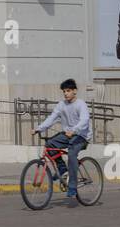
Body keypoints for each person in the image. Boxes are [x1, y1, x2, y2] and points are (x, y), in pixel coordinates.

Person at [33, 79, 92, 207]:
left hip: (81, 136)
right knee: (50, 144)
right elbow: (51, 118)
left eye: (68, 91)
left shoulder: (81, 104)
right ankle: (62, 168)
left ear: (75, 91)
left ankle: (72, 187)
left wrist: (74, 130)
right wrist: (39, 128)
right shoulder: (61, 105)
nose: (66, 93)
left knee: (71, 154)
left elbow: (84, 120)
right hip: (67, 135)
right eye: (64, 91)